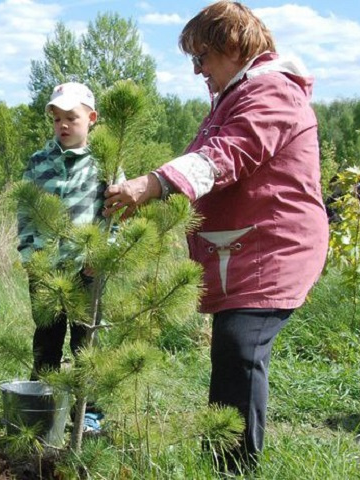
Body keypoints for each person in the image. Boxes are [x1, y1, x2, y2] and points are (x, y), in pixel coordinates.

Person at [103, 1, 328, 471]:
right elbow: (202, 160)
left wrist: (152, 184)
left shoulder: (272, 93)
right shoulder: (237, 95)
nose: (197, 70)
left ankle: (233, 467)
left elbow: (227, 156)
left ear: (233, 46)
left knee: (241, 346)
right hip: (248, 250)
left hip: (274, 249)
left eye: (201, 57)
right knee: (232, 348)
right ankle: (220, 460)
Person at [17, 81, 107, 433]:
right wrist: (30, 253)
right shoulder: (39, 162)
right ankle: (43, 406)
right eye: (57, 119)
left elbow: (115, 215)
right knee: (46, 339)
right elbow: (25, 208)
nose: (64, 125)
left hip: (87, 269)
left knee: (86, 341)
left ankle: (89, 413)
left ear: (91, 118)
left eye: (72, 117)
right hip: (45, 268)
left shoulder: (105, 165)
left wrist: (100, 254)